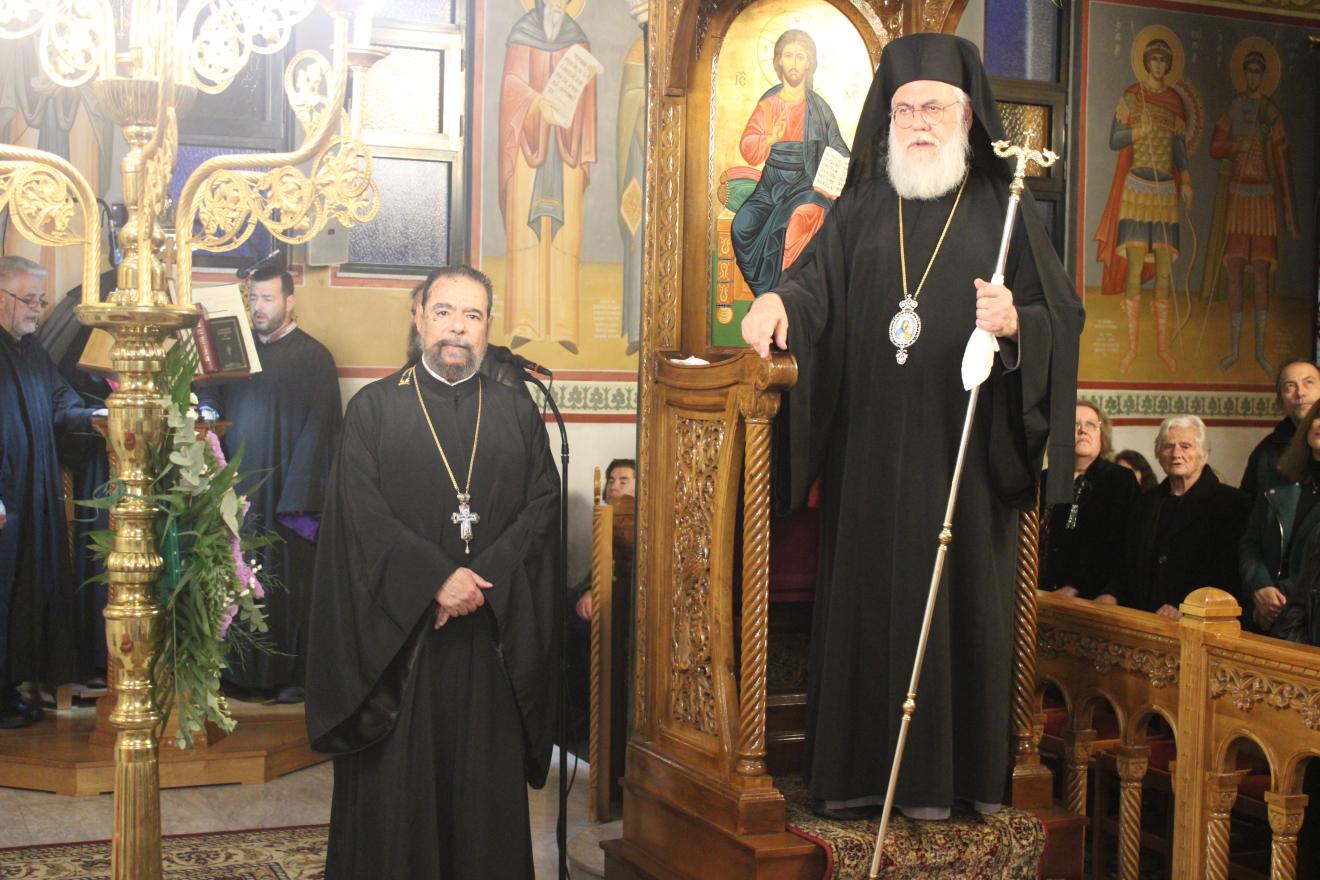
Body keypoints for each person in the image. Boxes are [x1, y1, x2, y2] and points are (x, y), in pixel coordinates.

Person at [740, 33, 1083, 821]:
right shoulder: (863, 204)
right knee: (867, 606)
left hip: (964, 461)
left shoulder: (1001, 207)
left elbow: (1062, 314)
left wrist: (1018, 321)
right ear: (886, 119)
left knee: (957, 609)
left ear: (966, 116)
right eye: (903, 109)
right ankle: (856, 776)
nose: (918, 122)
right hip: (868, 458)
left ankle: (953, 781)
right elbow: (812, 285)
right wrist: (778, 301)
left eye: (934, 107)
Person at [305, 266, 560, 879]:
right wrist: (436, 580)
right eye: (444, 312)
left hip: (488, 641)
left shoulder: (516, 410)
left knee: (482, 797)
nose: (457, 328)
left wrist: (479, 579)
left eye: (472, 316)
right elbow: (359, 515)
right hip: (401, 647)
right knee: (402, 801)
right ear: (418, 317)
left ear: (488, 327)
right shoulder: (374, 409)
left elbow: (541, 504)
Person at [203, 262, 341, 703]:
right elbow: (212, 401)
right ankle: (235, 673)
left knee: (285, 584)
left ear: (289, 301)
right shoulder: (237, 353)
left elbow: (322, 431)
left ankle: (288, 676)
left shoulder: (315, 357)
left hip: (286, 495)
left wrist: (298, 499)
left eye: (267, 298)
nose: (258, 307)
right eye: (253, 298)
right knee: (234, 575)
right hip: (236, 491)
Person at [0, 255, 100, 728]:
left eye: (40, 300)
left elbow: (61, 403)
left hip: (33, 492)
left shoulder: (32, 349)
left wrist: (95, 418)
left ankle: (8, 688)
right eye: (29, 300)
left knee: (24, 590)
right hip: (3, 497)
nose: (37, 309)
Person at [498, 0, 598, 352]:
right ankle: (523, 321)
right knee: (525, 230)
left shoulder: (578, 39)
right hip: (529, 147)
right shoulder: (522, 33)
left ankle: (564, 326)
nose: (556, 3)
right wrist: (537, 103)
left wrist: (569, 106)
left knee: (565, 236)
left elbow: (587, 101)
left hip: (566, 146)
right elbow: (511, 85)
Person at [1095, 33, 1193, 374]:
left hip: (1165, 192)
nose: (1159, 65)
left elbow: (1179, 147)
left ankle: (1163, 349)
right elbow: (1114, 139)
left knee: (1164, 273)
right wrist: (1138, 131)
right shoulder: (1131, 97)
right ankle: (1132, 349)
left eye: (1164, 61)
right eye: (1154, 59)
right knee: (1135, 270)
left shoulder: (1174, 101)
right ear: (1146, 63)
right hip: (1137, 190)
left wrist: (1187, 179)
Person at [730, 28, 849, 296]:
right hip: (770, 185)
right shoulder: (768, 104)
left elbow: (839, 148)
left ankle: (790, 296)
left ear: (809, 64)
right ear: (779, 61)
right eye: (788, 55)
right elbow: (749, 148)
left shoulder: (819, 108)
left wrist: (836, 174)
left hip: (806, 182)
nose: (794, 63)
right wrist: (770, 138)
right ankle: (768, 297)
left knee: (800, 220)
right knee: (742, 225)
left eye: (800, 56)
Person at [1209, 46, 1297, 375]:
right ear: (1244, 73)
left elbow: (1281, 159)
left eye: (1258, 71)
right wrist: (1237, 145)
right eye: (1249, 70)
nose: (1253, 76)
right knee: (1234, 270)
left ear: (1264, 76)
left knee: (1260, 273)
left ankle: (1259, 352)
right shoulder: (1233, 107)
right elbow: (1215, 147)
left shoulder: (1271, 112)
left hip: (1262, 198)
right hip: (1238, 196)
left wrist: (1287, 206)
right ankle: (1234, 351)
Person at [1113, 415, 1249, 617]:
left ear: (1204, 454)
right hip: (1143, 617)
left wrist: (1184, 605)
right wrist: (1113, 593)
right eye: (1168, 446)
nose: (1176, 454)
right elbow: (1127, 561)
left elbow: (1228, 572)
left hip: (1200, 620)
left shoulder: (1232, 503)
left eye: (1186, 446)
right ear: (1158, 453)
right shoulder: (1144, 503)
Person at [1040, 402, 1138, 602]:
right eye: (1074, 424)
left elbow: (1124, 544)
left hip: (1095, 596)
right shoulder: (1044, 479)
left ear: (1102, 435)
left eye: (1091, 424)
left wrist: (1078, 587)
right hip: (1040, 591)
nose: (1082, 430)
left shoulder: (1120, 480)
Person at [1240, 399, 1320, 635]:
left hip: (1308, 621)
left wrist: (1278, 601)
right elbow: (1250, 542)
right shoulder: (1278, 479)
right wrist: (1261, 586)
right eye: (1317, 416)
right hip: (1260, 609)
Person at [1240, 358, 1320, 502]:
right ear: (1280, 400)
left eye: (1309, 382)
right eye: (1290, 386)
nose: (1300, 393)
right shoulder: (1266, 452)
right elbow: (1248, 506)